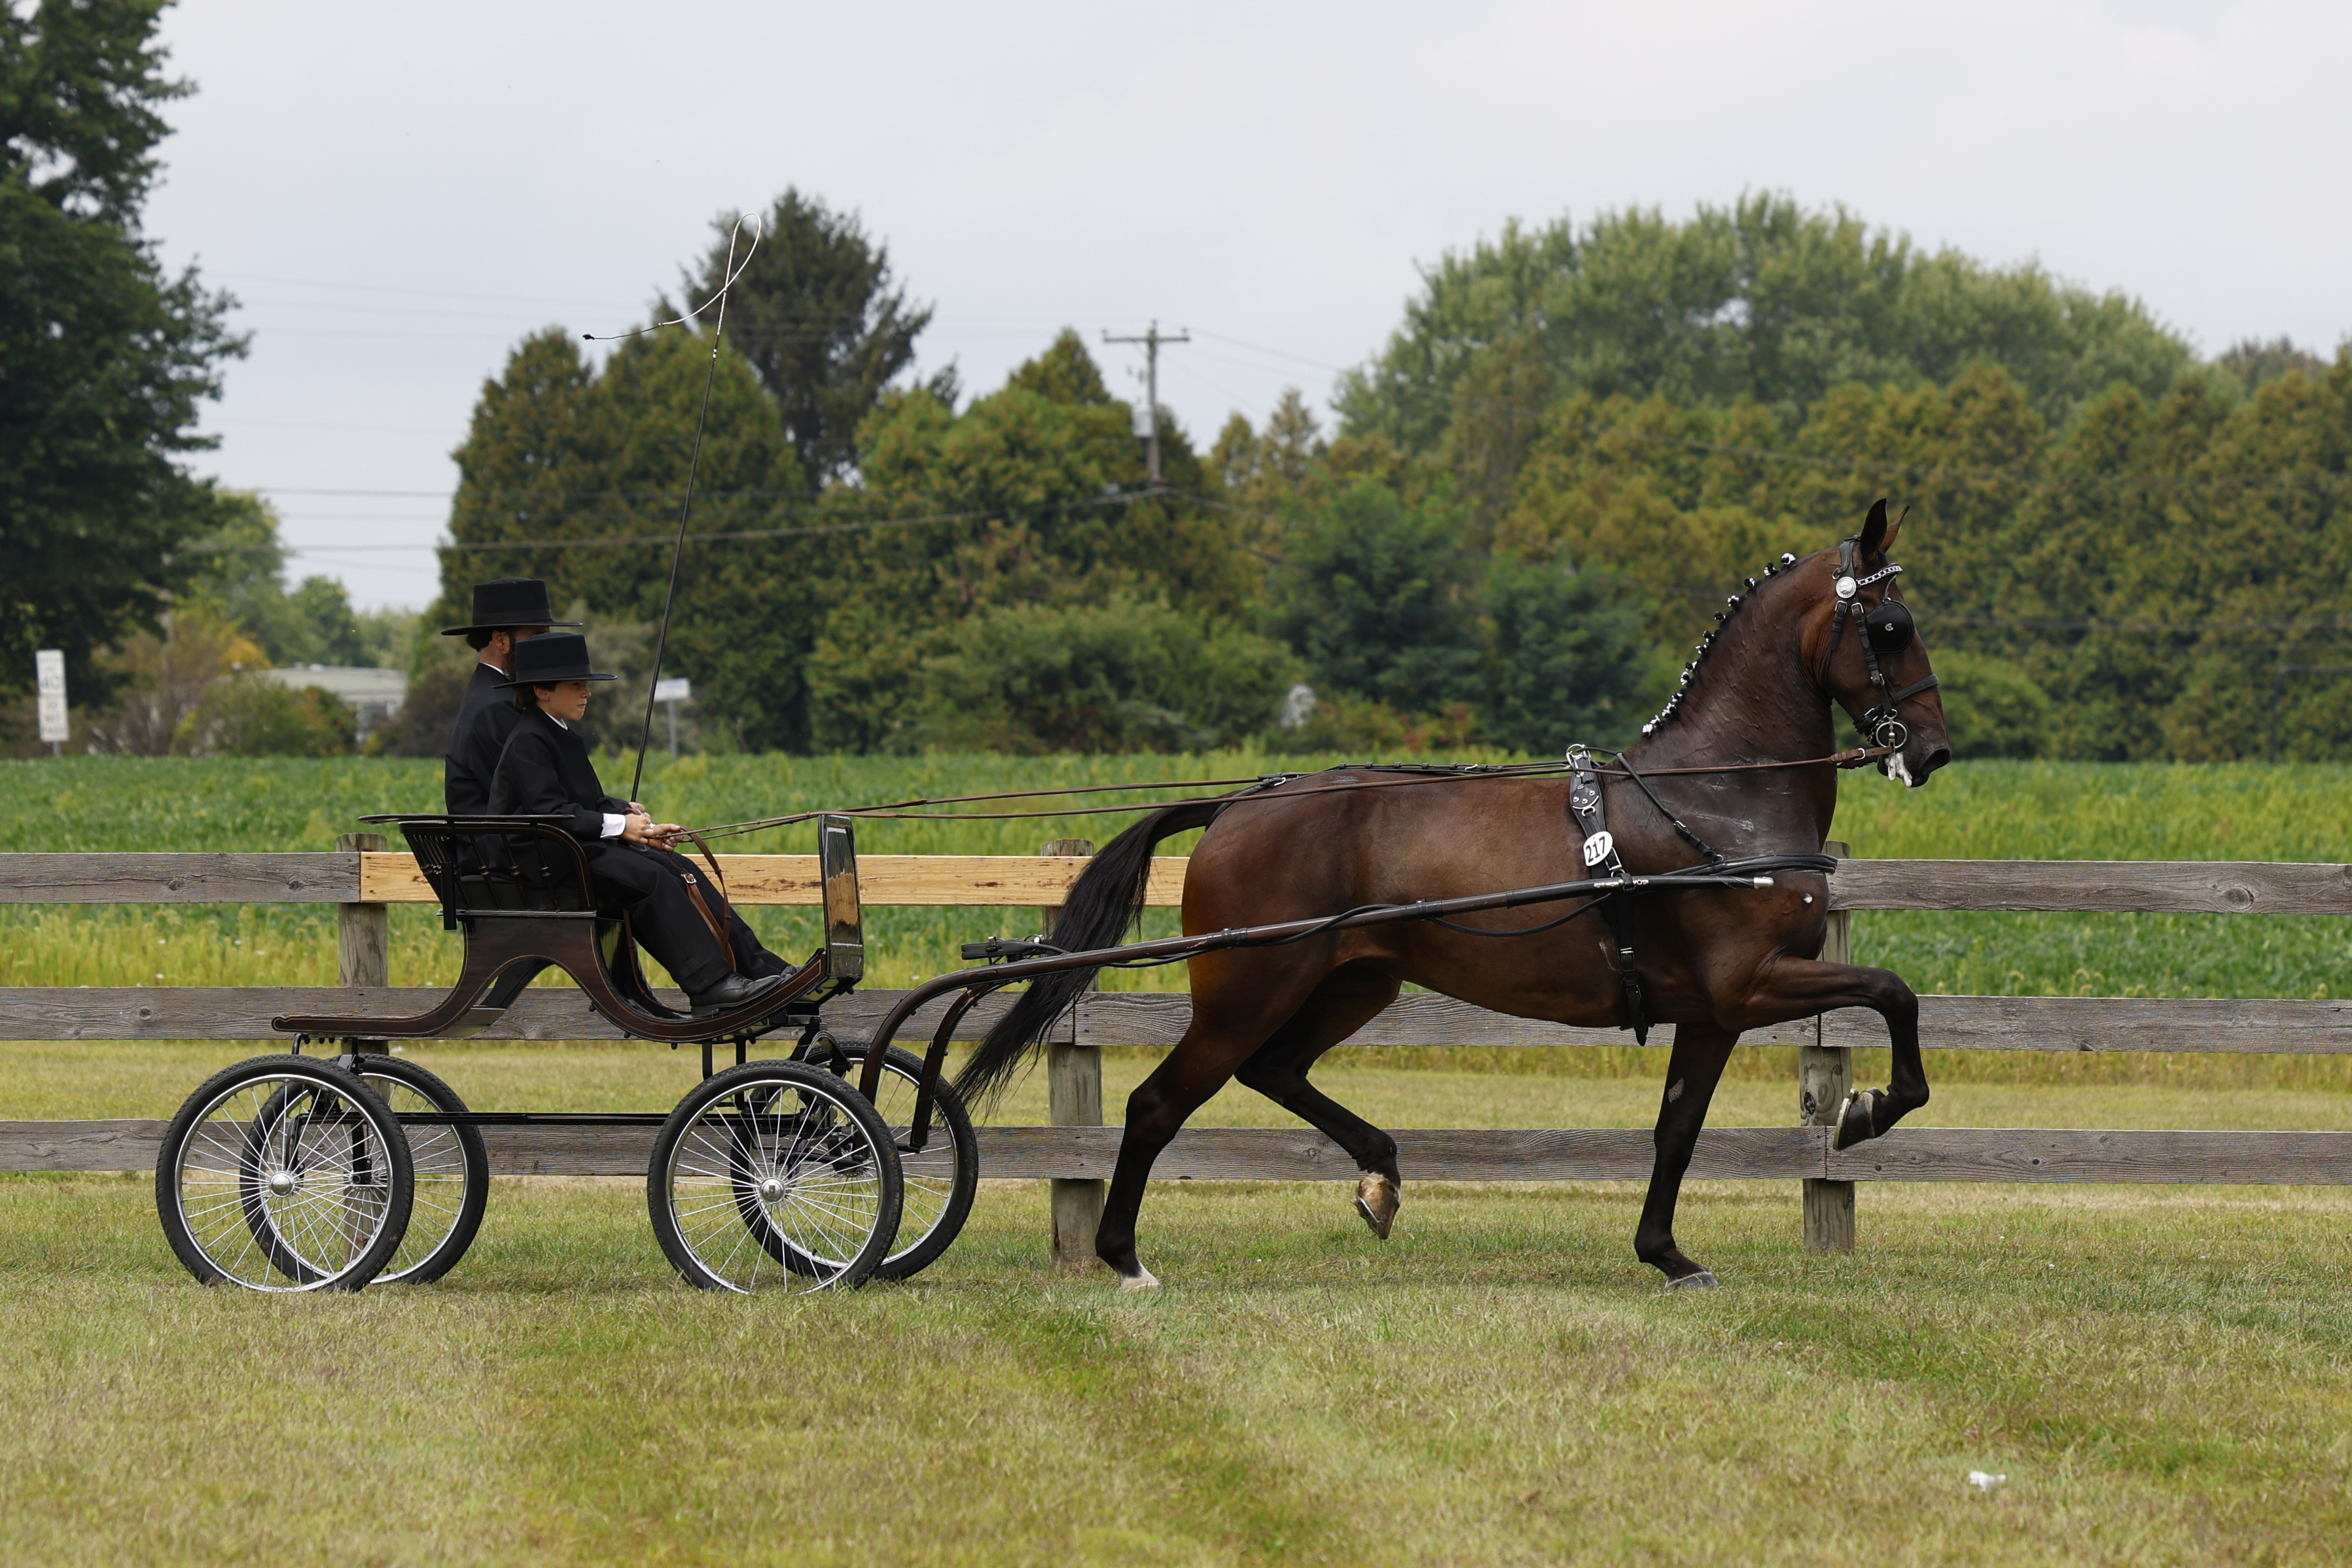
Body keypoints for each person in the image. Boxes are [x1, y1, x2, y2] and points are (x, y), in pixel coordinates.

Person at [488, 632, 790, 1017]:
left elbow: (586, 801)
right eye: (576, 685)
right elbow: (552, 813)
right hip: (547, 863)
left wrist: (634, 821)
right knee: (651, 879)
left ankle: (762, 969)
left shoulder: (559, 733)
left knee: (679, 867)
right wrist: (622, 827)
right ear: (542, 690)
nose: (587, 693)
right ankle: (710, 985)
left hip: (571, 851)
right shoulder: (528, 740)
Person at [439, 577, 577, 817]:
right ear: (501, 640)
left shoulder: (496, 693)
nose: (545, 646)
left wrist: (617, 810)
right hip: (507, 850)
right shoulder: (497, 707)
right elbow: (539, 792)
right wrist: (616, 819)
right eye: (536, 635)